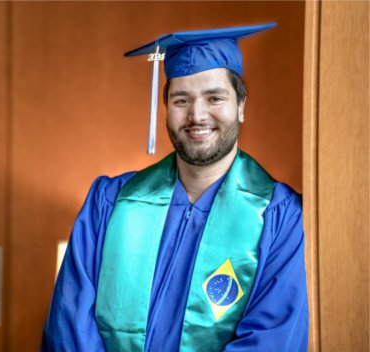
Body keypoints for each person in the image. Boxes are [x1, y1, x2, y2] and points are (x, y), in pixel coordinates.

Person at [41, 23, 308, 351]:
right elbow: (70, 327)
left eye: (215, 97)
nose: (197, 115)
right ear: (165, 106)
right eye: (182, 99)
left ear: (240, 105)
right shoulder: (110, 203)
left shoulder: (280, 217)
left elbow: (272, 338)